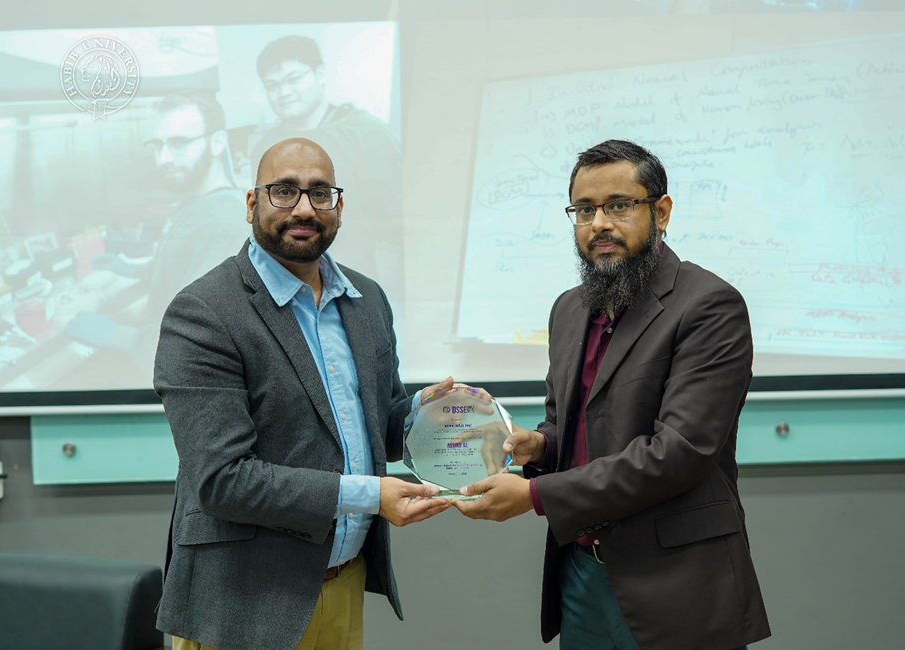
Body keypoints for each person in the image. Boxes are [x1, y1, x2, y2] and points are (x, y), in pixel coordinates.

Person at [455, 140, 771, 650]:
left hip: (675, 582)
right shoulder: (569, 309)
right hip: (582, 574)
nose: (599, 222)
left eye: (619, 205)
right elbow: (570, 426)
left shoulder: (709, 306)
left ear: (661, 211)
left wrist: (536, 496)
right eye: (584, 209)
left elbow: (678, 454)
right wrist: (539, 446)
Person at [154, 138, 458, 650]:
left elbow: (379, 427)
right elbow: (221, 481)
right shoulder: (203, 312)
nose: (303, 208)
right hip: (243, 602)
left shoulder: (365, 300)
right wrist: (371, 496)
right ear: (252, 204)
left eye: (320, 193)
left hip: (342, 583)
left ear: (338, 207)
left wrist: (443, 419)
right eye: (284, 191)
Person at [66, 91, 248, 378]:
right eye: (157, 146)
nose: (164, 158)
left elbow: (197, 336)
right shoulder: (195, 205)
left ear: (217, 142)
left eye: (178, 143)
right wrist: (134, 268)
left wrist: (117, 335)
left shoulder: (223, 223)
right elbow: (186, 270)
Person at [249, 35, 403, 302]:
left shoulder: (366, 135)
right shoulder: (264, 146)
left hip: (358, 282)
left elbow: (394, 226)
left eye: (293, 79)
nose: (284, 92)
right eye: (272, 85)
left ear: (319, 74)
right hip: (285, 286)